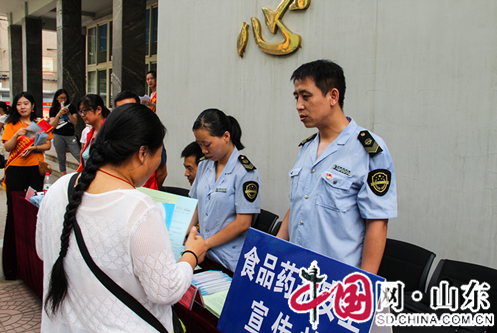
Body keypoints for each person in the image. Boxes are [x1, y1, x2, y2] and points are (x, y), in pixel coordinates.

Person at [36, 103, 207, 332]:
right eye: (159, 154)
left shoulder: (59, 188)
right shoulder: (139, 208)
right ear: (143, 153)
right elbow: (165, 290)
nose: (158, 164)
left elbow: (42, 249)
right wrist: (191, 255)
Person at [276, 60, 397, 274]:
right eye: (296, 97)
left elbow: (377, 223)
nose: (299, 106)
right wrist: (275, 250)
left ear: (333, 96)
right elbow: (297, 206)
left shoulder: (368, 150)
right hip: (295, 271)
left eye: (306, 96)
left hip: (336, 281)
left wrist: (364, 285)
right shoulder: (306, 149)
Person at [187, 109, 261, 272]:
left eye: (207, 145)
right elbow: (196, 205)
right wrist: (185, 233)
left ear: (226, 136)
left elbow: (243, 223)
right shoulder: (204, 166)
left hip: (227, 259)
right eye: (199, 145)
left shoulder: (245, 172)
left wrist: (206, 244)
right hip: (202, 253)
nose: (203, 151)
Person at [2, 92, 53, 280]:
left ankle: (33, 258)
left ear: (33, 106)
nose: (22, 107)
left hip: (34, 170)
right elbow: (8, 148)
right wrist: (17, 134)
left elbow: (47, 145)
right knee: (14, 211)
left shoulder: (39, 124)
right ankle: (11, 265)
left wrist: (34, 148)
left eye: (26, 104)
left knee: (34, 209)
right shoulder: (11, 124)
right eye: (19, 104)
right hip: (16, 170)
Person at [113, 90, 168, 188]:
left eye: (131, 109)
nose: (126, 114)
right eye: (121, 110)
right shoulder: (111, 138)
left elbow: (162, 173)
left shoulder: (151, 136)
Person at [49, 89, 81, 176]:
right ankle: (62, 177)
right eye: (61, 98)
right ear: (56, 98)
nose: (63, 100)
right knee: (61, 158)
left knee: (78, 154)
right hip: (58, 135)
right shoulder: (53, 109)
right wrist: (59, 114)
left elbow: (75, 122)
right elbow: (52, 125)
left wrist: (68, 113)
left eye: (65, 98)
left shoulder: (71, 107)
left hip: (70, 135)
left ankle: (84, 172)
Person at [77, 94, 110, 171]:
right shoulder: (89, 132)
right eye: (81, 112)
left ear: (98, 109)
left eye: (85, 111)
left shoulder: (108, 131)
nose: (82, 115)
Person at [0, 102, 10, 175]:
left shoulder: (2, 117)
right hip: (5, 140)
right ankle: (5, 177)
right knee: (6, 160)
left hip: (2, 141)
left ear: (0, 108)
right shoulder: (7, 116)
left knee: (5, 160)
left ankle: (6, 177)